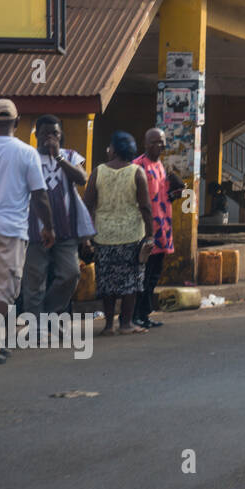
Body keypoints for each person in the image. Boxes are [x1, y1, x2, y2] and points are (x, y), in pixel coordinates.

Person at [0, 100, 53, 365]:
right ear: (17, 122)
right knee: (0, 291)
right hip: (9, 231)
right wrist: (48, 227)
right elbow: (39, 196)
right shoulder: (27, 153)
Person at [23, 116, 91, 324]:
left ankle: (50, 314)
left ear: (61, 136)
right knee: (35, 280)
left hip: (66, 228)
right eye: (45, 133)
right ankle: (35, 325)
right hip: (35, 228)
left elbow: (82, 179)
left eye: (55, 134)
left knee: (70, 274)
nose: (50, 138)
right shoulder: (29, 156)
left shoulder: (70, 155)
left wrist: (59, 158)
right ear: (37, 135)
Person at [84, 131, 153, 336]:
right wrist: (150, 234)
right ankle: (126, 324)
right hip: (131, 234)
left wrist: (88, 234)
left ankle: (108, 326)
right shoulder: (136, 172)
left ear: (114, 149)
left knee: (107, 281)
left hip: (103, 235)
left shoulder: (98, 171)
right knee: (130, 282)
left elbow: (87, 204)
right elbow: (145, 207)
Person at [133, 128, 176, 328]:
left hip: (163, 227)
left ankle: (145, 314)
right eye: (154, 142)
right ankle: (136, 315)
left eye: (160, 142)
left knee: (154, 276)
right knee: (143, 274)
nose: (158, 146)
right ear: (145, 144)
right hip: (146, 229)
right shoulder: (138, 166)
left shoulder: (160, 165)